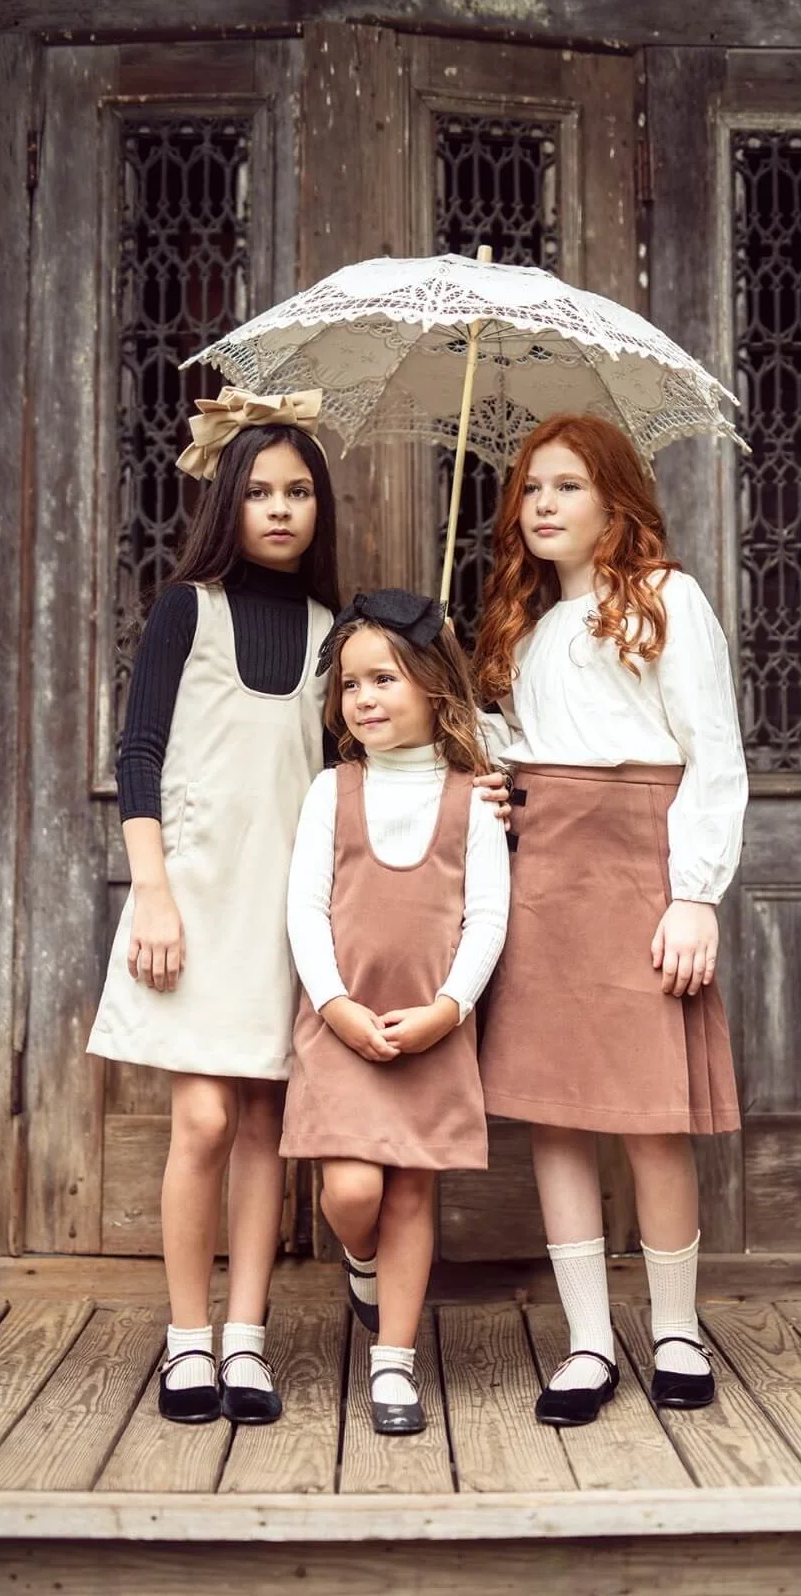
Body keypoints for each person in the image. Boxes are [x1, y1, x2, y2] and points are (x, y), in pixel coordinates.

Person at [472, 413, 747, 1425]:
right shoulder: (526, 625)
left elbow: (712, 752)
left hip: (642, 873)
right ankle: (587, 1342)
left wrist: (694, 894)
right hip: (544, 878)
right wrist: (486, 765)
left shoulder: (667, 600)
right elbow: (520, 749)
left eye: (568, 486)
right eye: (530, 488)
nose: (542, 505)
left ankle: (674, 1329)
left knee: (651, 1113)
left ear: (614, 501)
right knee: (556, 1112)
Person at [88, 387, 339, 1425]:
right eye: (261, 491)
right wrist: (150, 893)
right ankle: (186, 1339)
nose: (279, 509)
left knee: (266, 1124)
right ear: (228, 501)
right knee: (202, 1117)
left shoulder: (331, 631)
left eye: (299, 492)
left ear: (320, 508)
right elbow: (138, 753)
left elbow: (355, 774)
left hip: (285, 909)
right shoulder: (187, 609)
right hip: (190, 898)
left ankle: (246, 1339)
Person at [282, 590, 510, 1435]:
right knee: (353, 1192)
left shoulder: (472, 798)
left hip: (430, 1028)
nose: (365, 699)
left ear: (433, 685)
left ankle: (393, 1362)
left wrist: (449, 1010)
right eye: (350, 685)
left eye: (384, 679)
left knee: (413, 1194)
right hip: (343, 1026)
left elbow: (487, 917)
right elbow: (306, 910)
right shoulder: (331, 791)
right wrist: (334, 1005)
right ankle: (361, 1258)